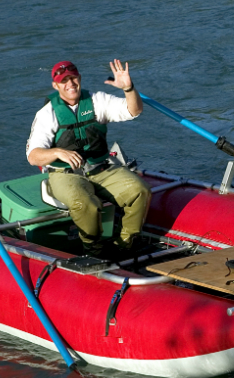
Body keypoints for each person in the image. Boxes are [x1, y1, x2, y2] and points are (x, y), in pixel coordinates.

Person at [26, 59, 151, 257]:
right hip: (65, 174)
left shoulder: (97, 101)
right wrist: (58, 152)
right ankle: (94, 251)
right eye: (64, 80)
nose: (70, 84)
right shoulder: (47, 114)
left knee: (139, 191)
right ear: (56, 85)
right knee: (86, 204)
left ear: (80, 79)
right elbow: (33, 156)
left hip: (100, 168)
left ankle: (125, 245)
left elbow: (134, 111)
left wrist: (129, 88)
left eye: (73, 78)